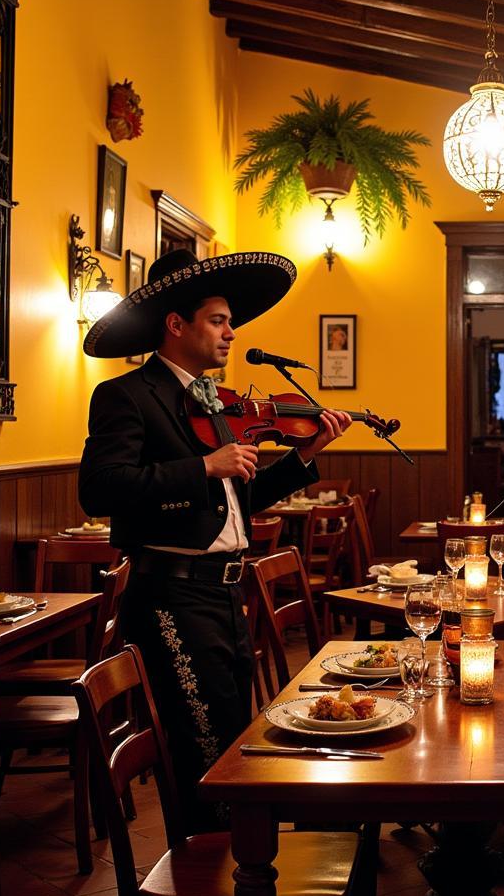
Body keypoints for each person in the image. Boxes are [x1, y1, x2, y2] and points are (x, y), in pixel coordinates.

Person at [78, 248, 351, 832]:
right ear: (175, 325)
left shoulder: (210, 400)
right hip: (171, 597)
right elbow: (99, 490)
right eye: (218, 320)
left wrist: (303, 457)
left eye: (230, 321)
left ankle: (241, 875)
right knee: (204, 744)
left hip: (227, 595)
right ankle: (211, 883)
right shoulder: (126, 395)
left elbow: (236, 502)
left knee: (235, 737)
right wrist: (202, 467)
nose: (231, 332)